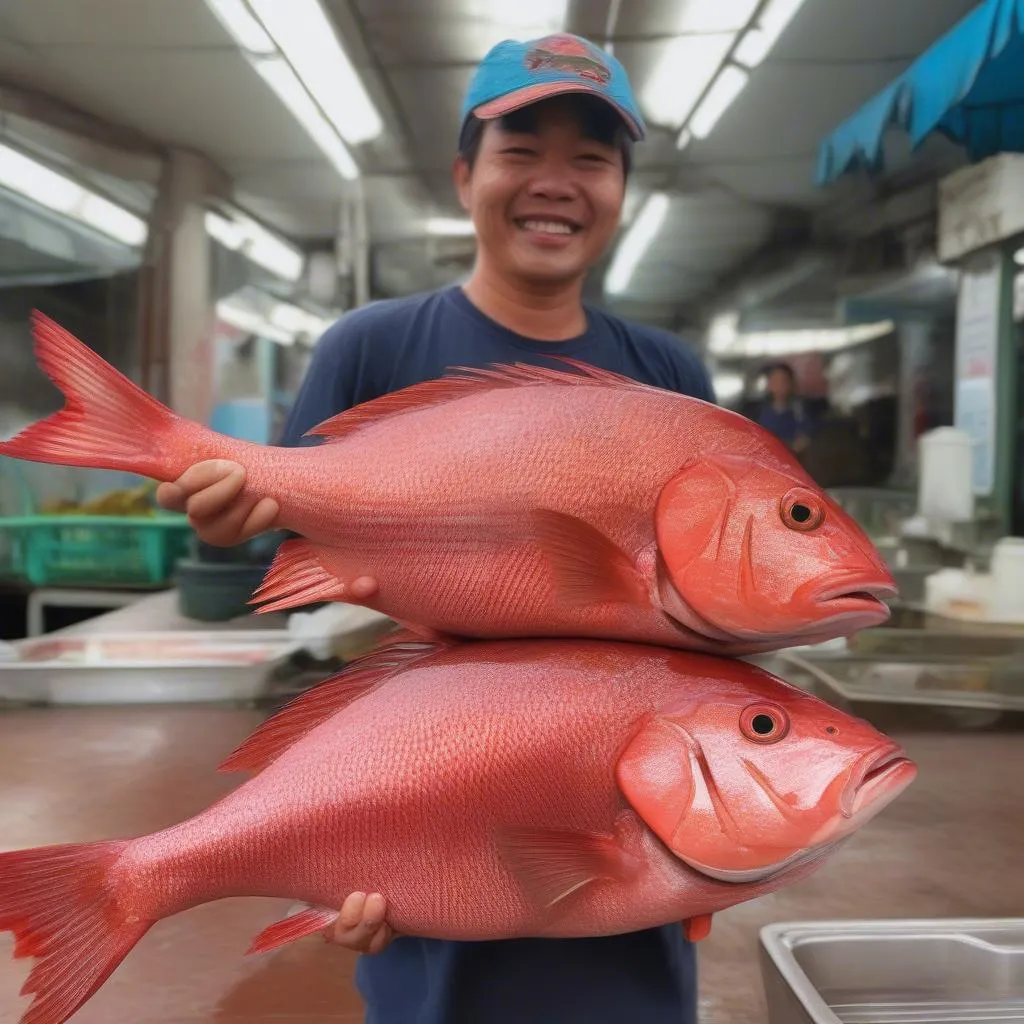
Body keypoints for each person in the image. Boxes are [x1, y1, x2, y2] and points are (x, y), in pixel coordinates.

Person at [158, 32, 715, 1024]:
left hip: (610, 807)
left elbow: (704, 633)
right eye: (519, 150)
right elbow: (283, 556)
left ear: (622, 189)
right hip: (430, 804)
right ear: (465, 175)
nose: (555, 181)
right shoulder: (371, 347)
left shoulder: (669, 376)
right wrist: (229, 512)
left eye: (590, 158)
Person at [755, 361, 818, 454]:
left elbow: (807, 433)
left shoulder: (799, 409)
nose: (779, 385)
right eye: (775, 380)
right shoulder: (759, 410)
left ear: (791, 383)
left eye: (783, 380)